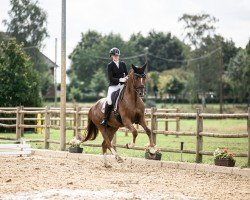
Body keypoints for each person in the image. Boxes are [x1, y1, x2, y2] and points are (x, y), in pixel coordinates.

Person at [100, 47, 128, 126]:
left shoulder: (123, 64)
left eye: (117, 55)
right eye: (114, 56)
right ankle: (105, 119)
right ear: (111, 56)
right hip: (113, 86)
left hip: (122, 86)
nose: (116, 57)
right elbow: (111, 78)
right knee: (109, 101)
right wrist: (120, 79)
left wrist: (127, 78)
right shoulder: (110, 65)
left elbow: (127, 73)